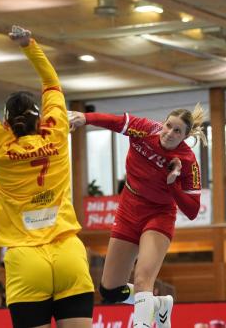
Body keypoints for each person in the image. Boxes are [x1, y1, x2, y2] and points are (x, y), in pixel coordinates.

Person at [0, 8, 94, 328]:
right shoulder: (57, 133)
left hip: (24, 258)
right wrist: (28, 44)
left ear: (5, 122)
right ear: (40, 118)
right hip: (69, 254)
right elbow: (52, 82)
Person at [68, 104, 205, 328]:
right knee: (110, 291)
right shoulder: (146, 129)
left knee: (143, 280)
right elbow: (114, 121)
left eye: (177, 131)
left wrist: (173, 186)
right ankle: (159, 305)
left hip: (159, 215)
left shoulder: (188, 161)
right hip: (129, 208)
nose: (169, 133)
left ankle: (142, 322)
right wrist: (85, 117)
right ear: (163, 122)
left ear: (186, 136)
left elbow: (192, 211)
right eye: (168, 126)